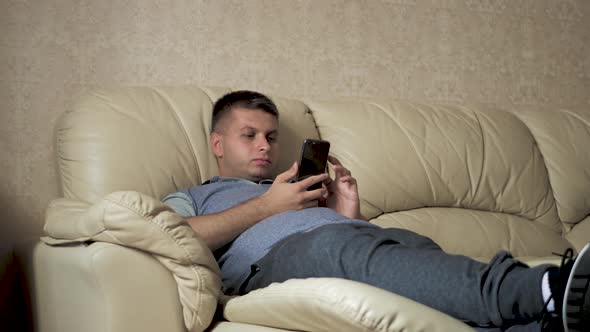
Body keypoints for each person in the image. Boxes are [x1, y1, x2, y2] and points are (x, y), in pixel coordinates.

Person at [163, 90, 589, 332]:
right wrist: (266, 206)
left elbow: (357, 247)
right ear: (217, 143)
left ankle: (546, 321)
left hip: (350, 240)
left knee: (410, 246)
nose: (264, 146)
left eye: (272, 137)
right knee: (332, 245)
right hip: (275, 262)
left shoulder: (295, 188)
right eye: (249, 135)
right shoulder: (195, 195)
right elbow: (171, 236)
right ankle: (543, 287)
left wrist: (349, 216)